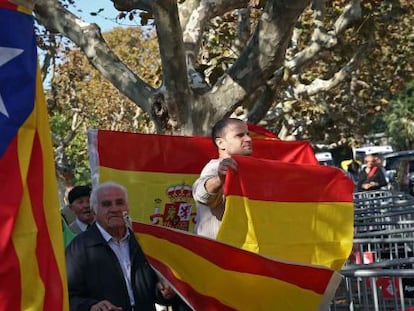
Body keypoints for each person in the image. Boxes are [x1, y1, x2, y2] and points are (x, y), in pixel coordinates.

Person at [66, 181, 177, 311]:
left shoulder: (143, 241)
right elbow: (68, 296)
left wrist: (164, 292)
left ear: (128, 207)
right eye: (106, 204)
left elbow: (156, 287)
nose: (115, 209)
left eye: (120, 203)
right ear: (94, 211)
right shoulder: (78, 248)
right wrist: (91, 306)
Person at [192, 118, 253, 239]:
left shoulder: (246, 171)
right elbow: (201, 194)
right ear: (220, 143)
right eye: (239, 135)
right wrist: (219, 179)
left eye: (248, 134)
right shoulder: (214, 167)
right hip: (216, 252)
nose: (248, 139)